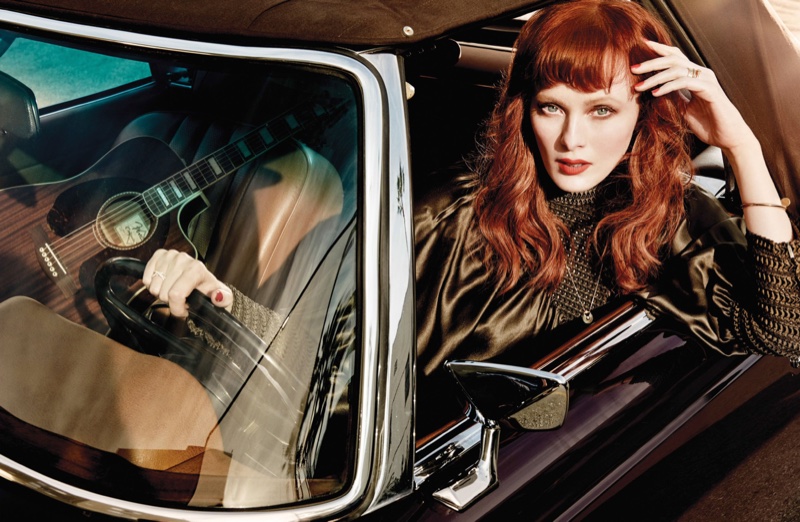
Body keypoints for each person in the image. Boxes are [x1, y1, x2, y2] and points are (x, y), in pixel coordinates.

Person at [410, 0, 800, 430]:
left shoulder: (673, 216)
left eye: (601, 110)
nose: (571, 140)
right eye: (551, 107)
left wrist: (742, 146)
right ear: (526, 109)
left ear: (643, 112)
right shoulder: (446, 221)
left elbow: (783, 329)